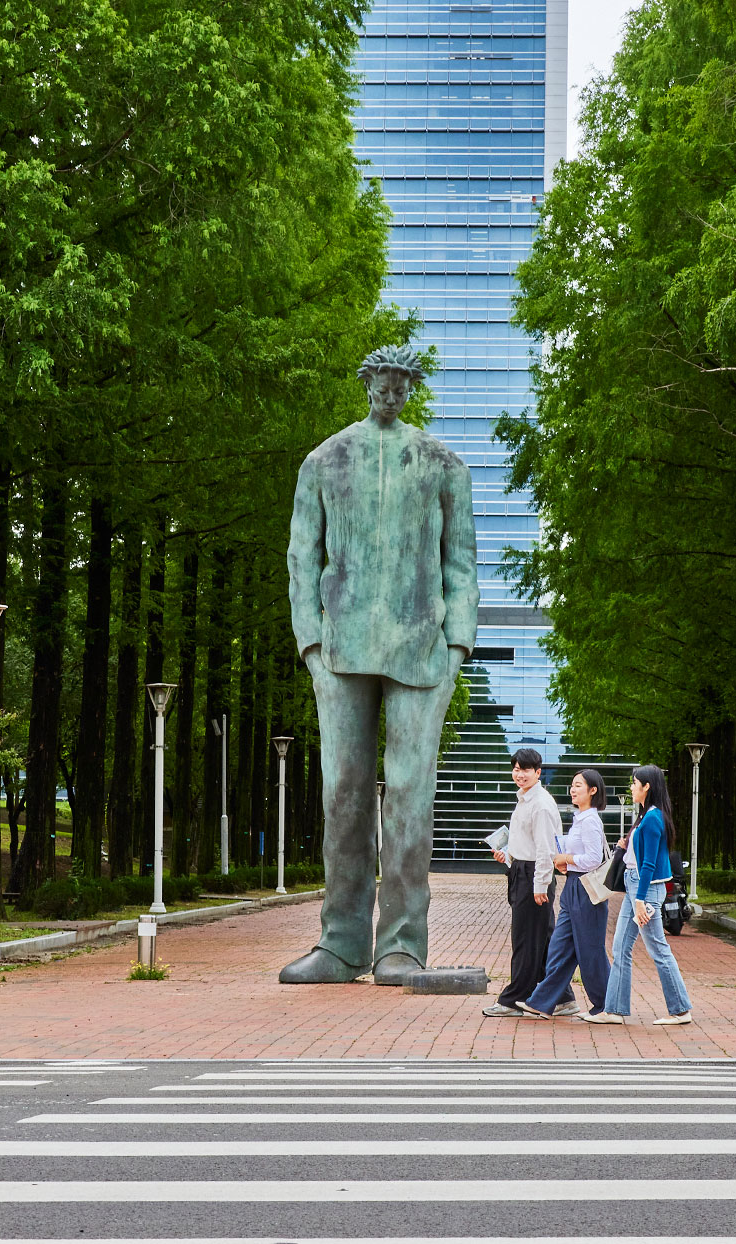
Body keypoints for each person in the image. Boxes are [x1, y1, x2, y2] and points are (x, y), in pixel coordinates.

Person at [280, 344, 479, 986]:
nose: (390, 391)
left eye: (401, 383)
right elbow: (301, 559)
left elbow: (463, 565)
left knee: (411, 797)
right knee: (343, 792)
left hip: (422, 650)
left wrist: (457, 647)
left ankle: (401, 944)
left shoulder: (444, 465)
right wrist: (310, 642)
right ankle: (340, 943)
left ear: (409, 389)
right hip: (339, 649)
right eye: (381, 380)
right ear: (366, 382)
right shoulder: (323, 460)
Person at [582, 764, 693, 1026]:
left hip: (646, 889)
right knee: (620, 947)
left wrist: (641, 900)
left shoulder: (653, 818)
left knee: (658, 949)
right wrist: (625, 844)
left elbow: (649, 864)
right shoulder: (645, 816)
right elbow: (639, 857)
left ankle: (680, 1010)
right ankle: (614, 1010)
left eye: (634, 783)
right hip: (637, 887)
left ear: (647, 787)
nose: (631, 787)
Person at [482, 748, 576, 1018]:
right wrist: (508, 854)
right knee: (542, 940)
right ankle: (563, 998)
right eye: (516, 769)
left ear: (538, 772)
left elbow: (546, 850)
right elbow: (527, 843)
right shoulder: (524, 800)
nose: (519, 774)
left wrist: (539, 887)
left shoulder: (541, 805)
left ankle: (514, 999)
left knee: (525, 940)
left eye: (525, 769)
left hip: (535, 876)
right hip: (524, 871)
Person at [517, 768, 611, 1019]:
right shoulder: (579, 818)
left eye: (578, 785)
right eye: (572, 785)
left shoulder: (591, 820)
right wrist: (565, 863)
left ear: (593, 791)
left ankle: (606, 1006)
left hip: (586, 890)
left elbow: (593, 859)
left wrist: (567, 858)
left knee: (591, 952)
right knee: (560, 948)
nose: (573, 789)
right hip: (572, 888)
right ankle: (542, 1003)